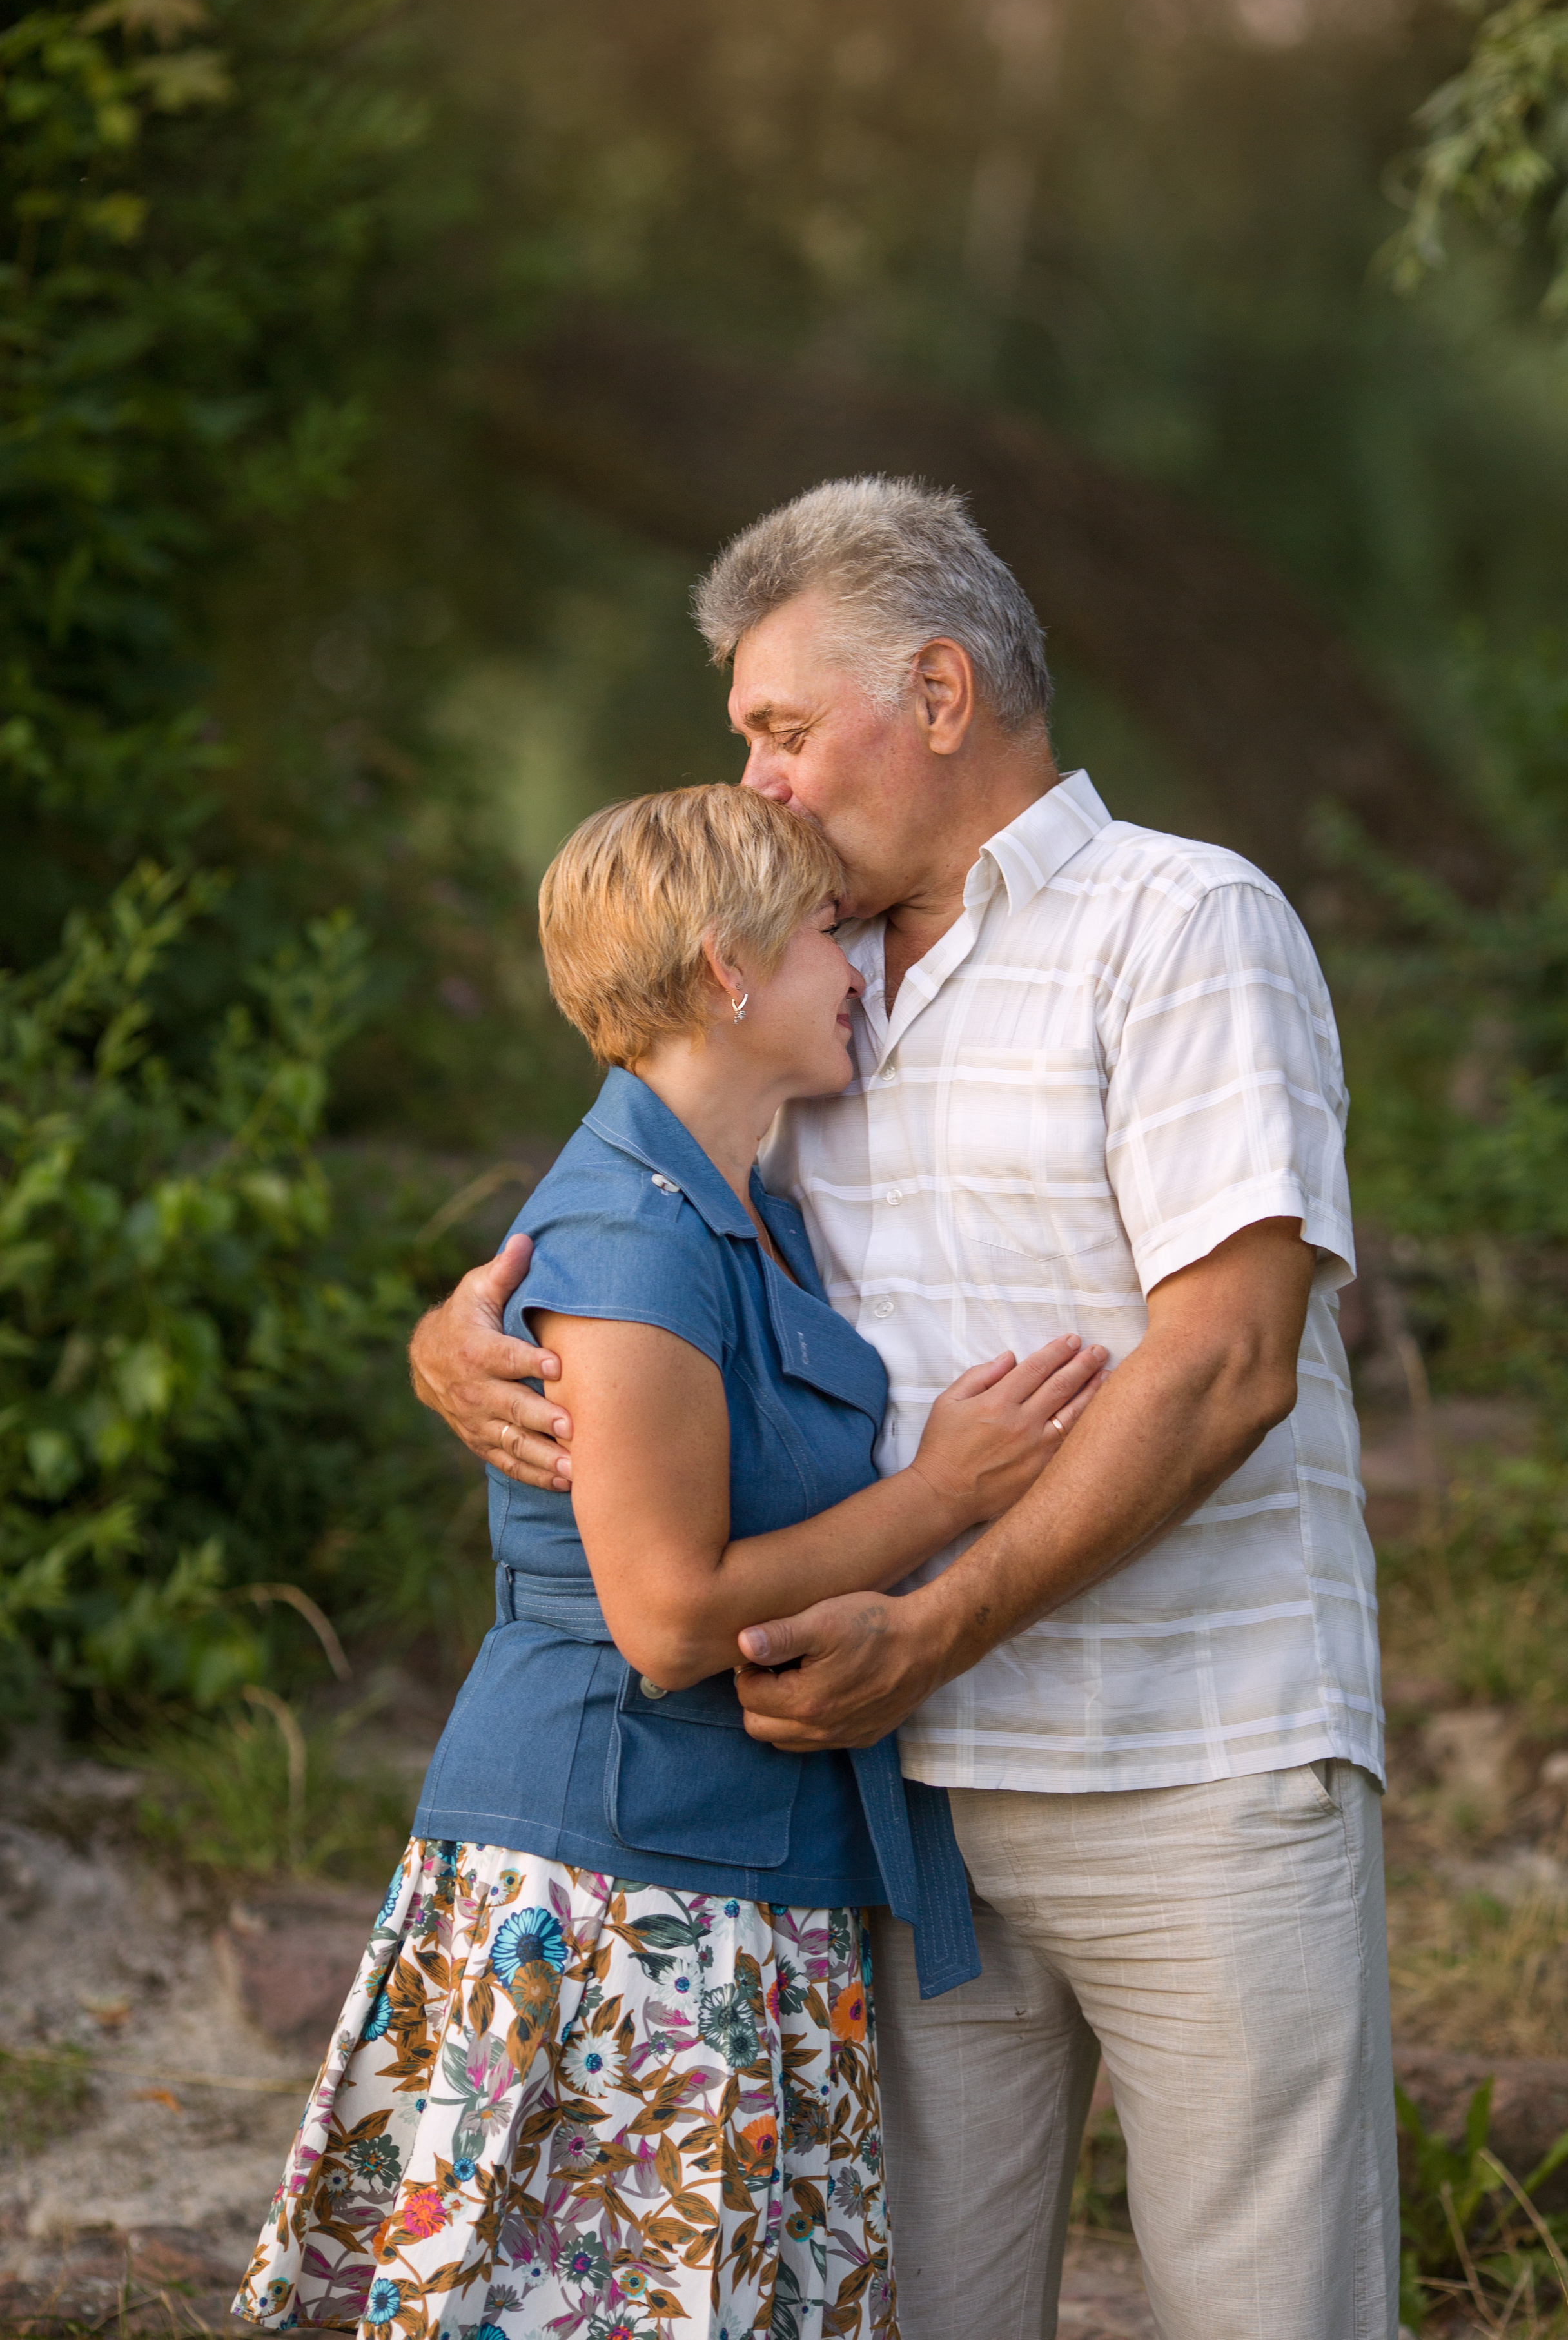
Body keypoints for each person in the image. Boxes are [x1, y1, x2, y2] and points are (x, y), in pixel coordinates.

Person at [410, 478, 1402, 2340]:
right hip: (892, 1803)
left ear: (939, 695)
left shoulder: (1182, 920)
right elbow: (643, 1226)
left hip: (1194, 1760)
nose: (761, 781)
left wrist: (933, 1621)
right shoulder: (806, 982)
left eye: (784, 728)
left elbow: (1227, 1361)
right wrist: (460, 1332)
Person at [235, 781, 1103, 2340]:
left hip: (733, 1873)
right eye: (826, 933)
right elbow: (665, 1613)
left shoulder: (744, 1211)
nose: (856, 971)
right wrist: (944, 1490)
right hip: (620, 1885)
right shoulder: (629, 1239)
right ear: (725, 968)